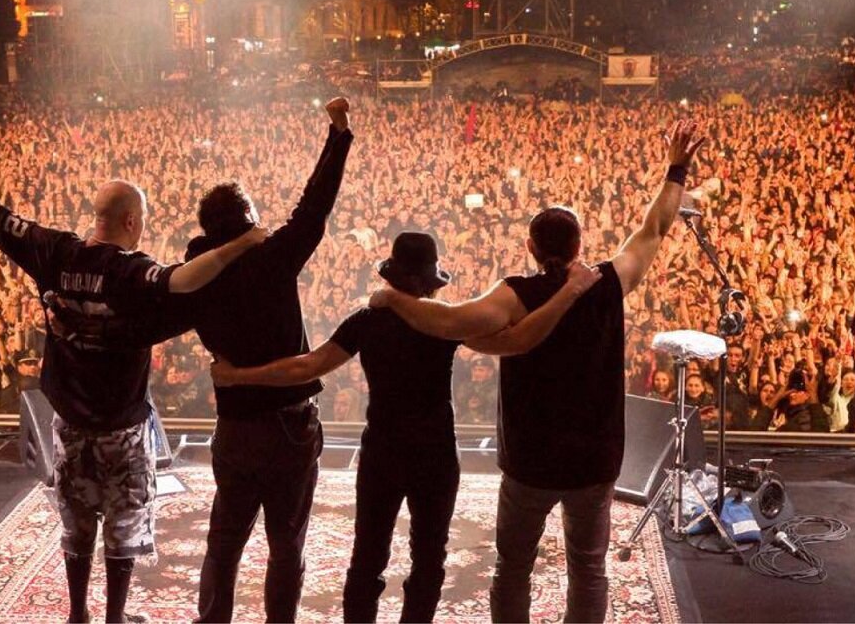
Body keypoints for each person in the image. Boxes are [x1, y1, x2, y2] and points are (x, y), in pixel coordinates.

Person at [373, 119, 706, 622]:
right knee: (589, 570)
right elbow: (655, 227)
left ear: (531, 246)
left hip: (530, 460)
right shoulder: (608, 283)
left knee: (512, 568)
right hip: (594, 461)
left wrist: (392, 298)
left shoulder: (516, 295)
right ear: (579, 244)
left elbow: (448, 321)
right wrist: (677, 168)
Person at [0, 114, 267, 624]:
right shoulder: (130, 270)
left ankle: (78, 615)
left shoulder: (54, 252)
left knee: (76, 524)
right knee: (123, 525)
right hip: (121, 426)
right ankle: (114, 618)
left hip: (69, 423)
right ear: (130, 222)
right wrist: (241, 245)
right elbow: (182, 283)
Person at [212, 232, 597, 622]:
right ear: (432, 280)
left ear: (391, 275)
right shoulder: (445, 323)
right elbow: (518, 341)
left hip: (383, 450)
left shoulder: (367, 321)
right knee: (429, 558)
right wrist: (568, 293)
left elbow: (306, 367)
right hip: (435, 454)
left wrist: (237, 376)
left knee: (367, 557)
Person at [177, 98, 354, 623]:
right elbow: (314, 207)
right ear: (251, 223)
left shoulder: (197, 277)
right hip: (288, 426)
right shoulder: (273, 259)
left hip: (234, 426)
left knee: (224, 543)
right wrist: (337, 134)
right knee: (285, 545)